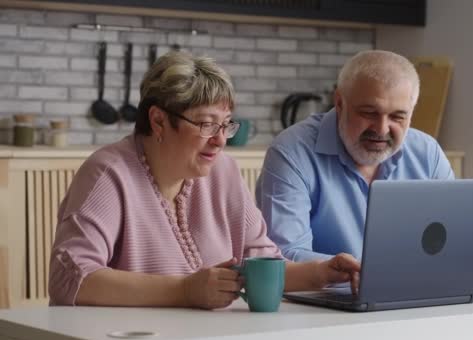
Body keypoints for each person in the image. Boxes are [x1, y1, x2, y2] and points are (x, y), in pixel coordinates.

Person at [48, 51, 360, 309]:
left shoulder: (223, 172)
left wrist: (323, 273)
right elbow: (72, 279)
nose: (220, 140)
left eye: (226, 125)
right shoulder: (109, 173)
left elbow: (262, 265)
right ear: (158, 121)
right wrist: (183, 290)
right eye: (207, 125)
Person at [256, 50, 473, 292]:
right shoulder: (291, 152)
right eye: (369, 112)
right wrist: (355, 272)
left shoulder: (426, 153)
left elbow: (460, 241)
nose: (382, 129)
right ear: (339, 103)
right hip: (321, 310)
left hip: (412, 304)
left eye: (397, 117)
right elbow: (283, 255)